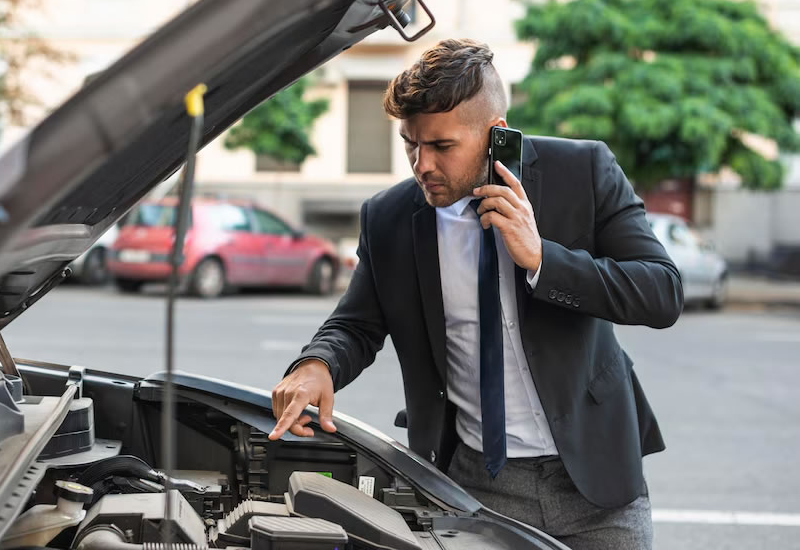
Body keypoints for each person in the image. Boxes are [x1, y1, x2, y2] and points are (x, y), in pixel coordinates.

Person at [268, 39, 683, 549]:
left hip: (597, 483)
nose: (422, 164)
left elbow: (661, 291)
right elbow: (355, 323)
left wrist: (542, 259)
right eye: (410, 144)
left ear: (497, 134)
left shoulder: (583, 173)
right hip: (472, 487)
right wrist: (316, 365)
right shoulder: (390, 217)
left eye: (442, 146)